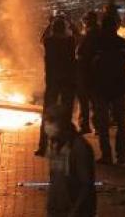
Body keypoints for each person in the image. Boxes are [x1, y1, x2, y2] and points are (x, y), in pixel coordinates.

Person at [86, 13, 125, 164]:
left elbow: (86, 63)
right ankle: (121, 154)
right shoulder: (123, 44)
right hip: (118, 87)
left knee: (103, 124)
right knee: (121, 123)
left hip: (100, 88)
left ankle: (106, 155)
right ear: (115, 26)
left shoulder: (95, 44)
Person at [44, 104, 96, 217]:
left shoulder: (79, 147)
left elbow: (86, 184)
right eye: (46, 121)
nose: (47, 126)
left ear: (62, 124)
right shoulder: (55, 144)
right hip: (58, 210)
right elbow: (54, 178)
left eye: (51, 121)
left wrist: (75, 212)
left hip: (74, 211)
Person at [36, 17, 77, 156]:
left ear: (53, 30)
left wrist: (49, 24)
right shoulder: (70, 42)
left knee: (47, 115)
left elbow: (42, 38)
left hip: (52, 83)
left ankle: (43, 146)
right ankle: (66, 146)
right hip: (68, 83)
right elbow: (77, 36)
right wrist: (70, 22)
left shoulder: (50, 42)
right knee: (66, 116)